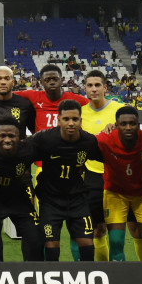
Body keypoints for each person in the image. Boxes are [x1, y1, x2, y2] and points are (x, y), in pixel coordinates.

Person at [26, 99, 102, 261]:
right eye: (66, 119)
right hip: (50, 201)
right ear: (58, 120)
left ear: (81, 121)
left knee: (87, 245)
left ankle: (86, 281)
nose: (71, 123)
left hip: (77, 200)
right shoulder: (44, 138)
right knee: (52, 247)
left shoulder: (89, 141)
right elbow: (22, 154)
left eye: (75, 119)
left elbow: (104, 157)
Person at [95, 106, 142, 261]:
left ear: (139, 124)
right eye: (123, 124)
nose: (128, 127)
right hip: (115, 194)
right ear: (116, 125)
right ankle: (117, 281)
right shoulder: (105, 139)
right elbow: (81, 145)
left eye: (133, 123)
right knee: (116, 241)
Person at [0, 119, 44, 261]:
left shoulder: (29, 149)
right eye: (2, 136)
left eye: (12, 136)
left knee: (35, 239)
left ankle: (32, 275)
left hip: (19, 199)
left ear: (20, 136)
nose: (7, 140)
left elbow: (52, 147)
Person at [80, 69, 125, 261]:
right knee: (98, 230)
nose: (94, 89)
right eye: (89, 85)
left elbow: (133, 137)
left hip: (118, 175)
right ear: (85, 88)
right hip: (92, 177)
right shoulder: (80, 112)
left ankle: (121, 271)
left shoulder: (119, 110)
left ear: (105, 87)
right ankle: (104, 271)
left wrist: (118, 129)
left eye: (97, 85)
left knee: (120, 230)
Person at [0, 66, 37, 138]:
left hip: (19, 149)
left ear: (13, 82)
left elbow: (33, 130)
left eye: (7, 79)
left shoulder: (25, 104)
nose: (3, 82)